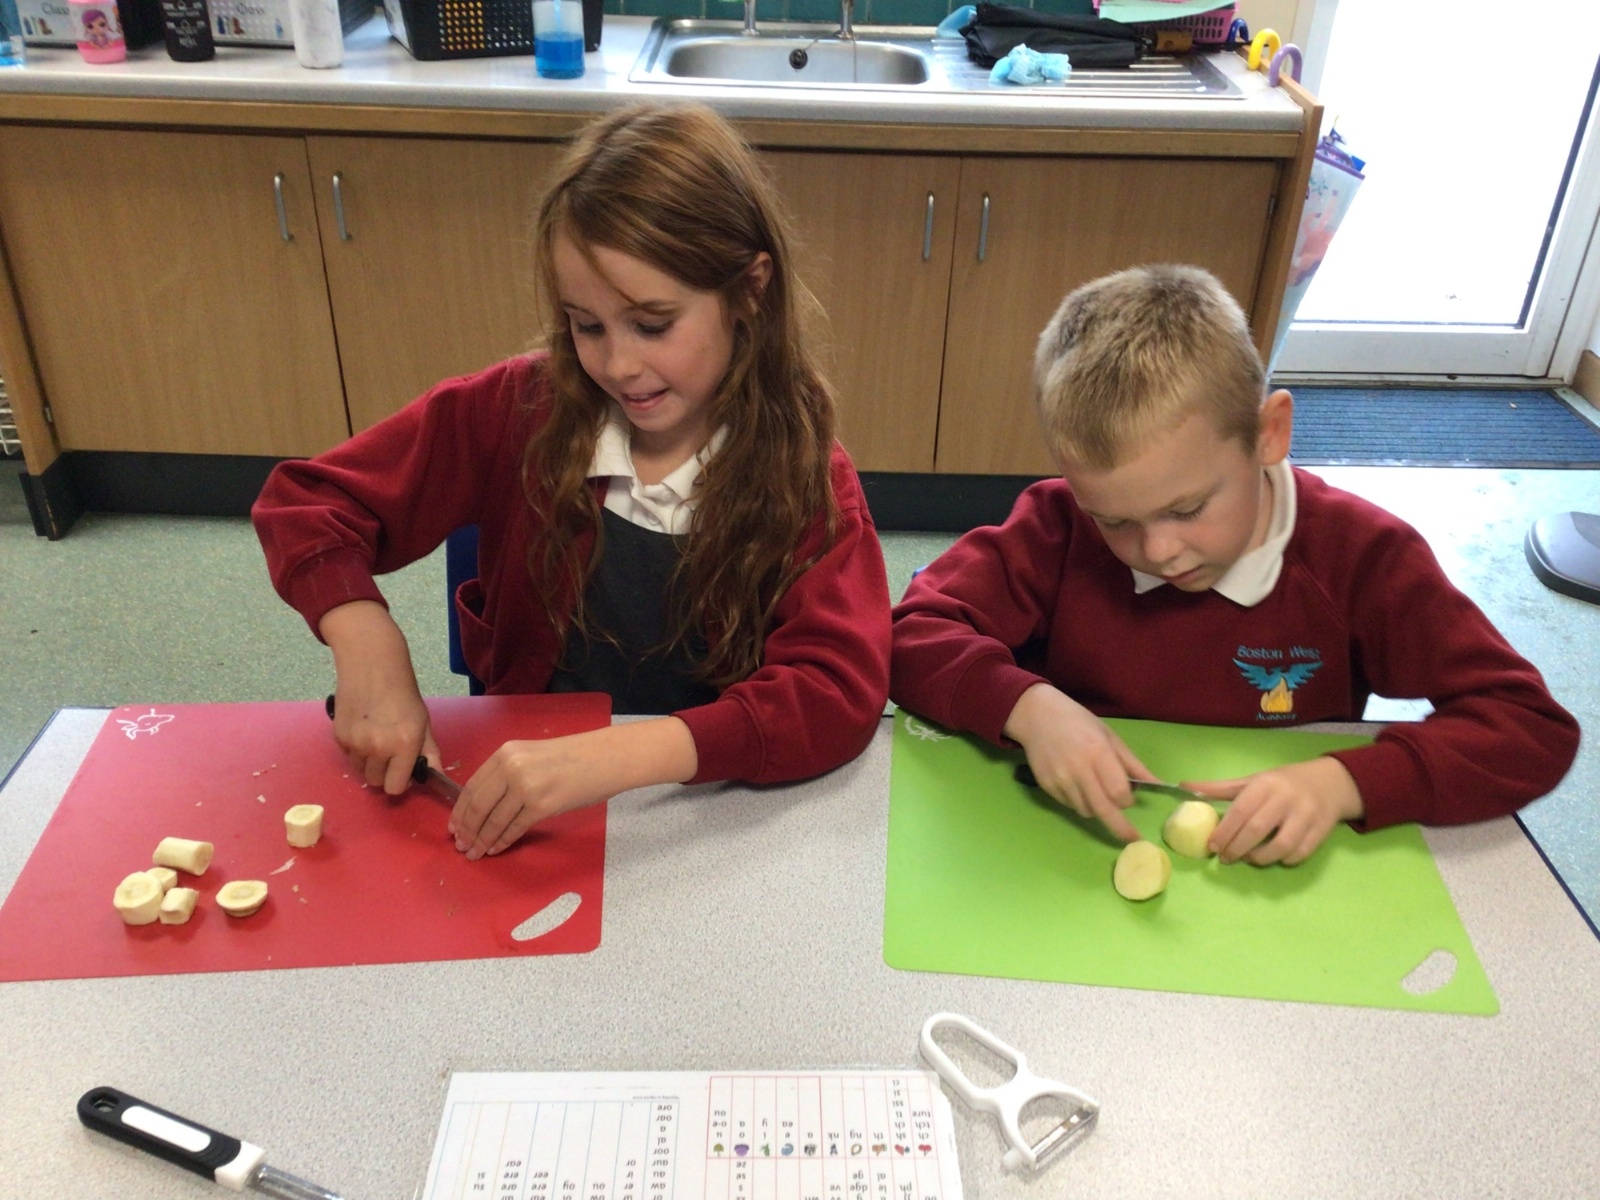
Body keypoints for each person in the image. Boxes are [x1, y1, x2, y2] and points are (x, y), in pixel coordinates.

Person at [253, 102, 891, 861]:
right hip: (526, 815)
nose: (618, 364)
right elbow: (307, 502)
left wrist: (623, 755)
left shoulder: (803, 474)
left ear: (750, 291)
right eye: (587, 325)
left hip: (701, 821)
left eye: (652, 324)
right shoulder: (514, 412)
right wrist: (365, 637)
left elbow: (836, 692)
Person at [890, 264, 1579, 867]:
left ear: (1268, 433)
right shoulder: (1057, 525)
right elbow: (911, 633)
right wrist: (1028, 708)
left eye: (1187, 509)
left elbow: (1529, 728)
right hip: (1058, 855)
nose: (1157, 550)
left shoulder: (1362, 555)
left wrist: (1345, 783)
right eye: (1115, 520)